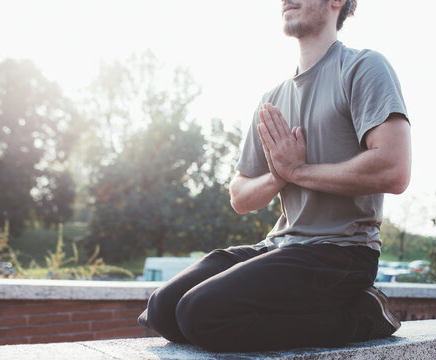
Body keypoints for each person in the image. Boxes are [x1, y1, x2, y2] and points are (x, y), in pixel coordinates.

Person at [138, 0, 411, 352]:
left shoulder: (363, 67)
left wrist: (299, 171)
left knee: (201, 312)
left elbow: (394, 169)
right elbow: (239, 194)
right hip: (280, 245)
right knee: (163, 310)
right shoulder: (272, 99)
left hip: (343, 250)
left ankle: (361, 315)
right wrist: (278, 178)